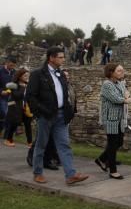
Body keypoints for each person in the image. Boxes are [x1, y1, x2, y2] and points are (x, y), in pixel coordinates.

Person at [26, 46, 89, 186]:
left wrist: (69, 111)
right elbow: (31, 96)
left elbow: (64, 93)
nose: (63, 59)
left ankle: (71, 175)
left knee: (64, 145)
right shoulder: (38, 74)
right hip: (46, 116)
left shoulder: (60, 73)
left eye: (63, 56)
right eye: (60, 57)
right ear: (51, 58)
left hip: (61, 115)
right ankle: (37, 173)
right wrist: (40, 113)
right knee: (41, 145)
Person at [95, 63, 131, 179]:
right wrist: (127, 99)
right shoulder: (107, 85)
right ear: (111, 72)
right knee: (112, 144)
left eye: (122, 70)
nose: (122, 72)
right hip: (111, 119)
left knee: (119, 142)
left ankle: (101, 159)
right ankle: (113, 170)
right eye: (119, 71)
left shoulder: (120, 83)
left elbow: (128, 95)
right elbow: (117, 99)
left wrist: (128, 98)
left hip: (120, 118)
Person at [3, 68, 33, 147]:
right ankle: (8, 140)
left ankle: (30, 142)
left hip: (26, 108)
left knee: (28, 125)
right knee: (14, 124)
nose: (27, 77)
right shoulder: (14, 85)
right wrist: (24, 88)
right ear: (20, 76)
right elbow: (17, 96)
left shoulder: (28, 85)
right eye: (25, 76)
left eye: (28, 76)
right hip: (15, 108)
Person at [0, 56, 17, 137]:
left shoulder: (14, 72)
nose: (12, 67)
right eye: (11, 65)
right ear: (7, 62)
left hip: (11, 97)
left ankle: (6, 135)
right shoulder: (0, 70)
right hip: (2, 97)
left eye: (13, 66)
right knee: (4, 113)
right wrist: (1, 91)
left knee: (10, 115)